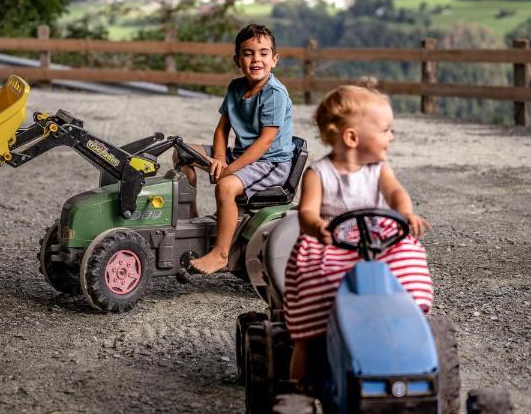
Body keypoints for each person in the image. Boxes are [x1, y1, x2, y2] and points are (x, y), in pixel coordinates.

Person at [283, 84, 433, 384]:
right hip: (332, 244)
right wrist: (317, 226)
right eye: (386, 130)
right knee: (315, 290)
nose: (391, 137)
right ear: (352, 137)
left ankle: (410, 313)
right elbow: (307, 212)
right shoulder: (318, 173)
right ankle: (301, 377)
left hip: (377, 241)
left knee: (408, 252)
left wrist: (405, 212)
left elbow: (396, 193)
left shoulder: (379, 169)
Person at [182, 23, 293, 275]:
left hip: (270, 163)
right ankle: (192, 217)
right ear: (237, 59)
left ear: (274, 60)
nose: (256, 59)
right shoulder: (235, 87)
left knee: (226, 186)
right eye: (248, 53)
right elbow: (222, 130)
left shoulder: (274, 93)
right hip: (242, 155)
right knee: (184, 152)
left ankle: (221, 254)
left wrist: (229, 170)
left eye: (264, 53)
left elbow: (265, 142)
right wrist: (219, 158)